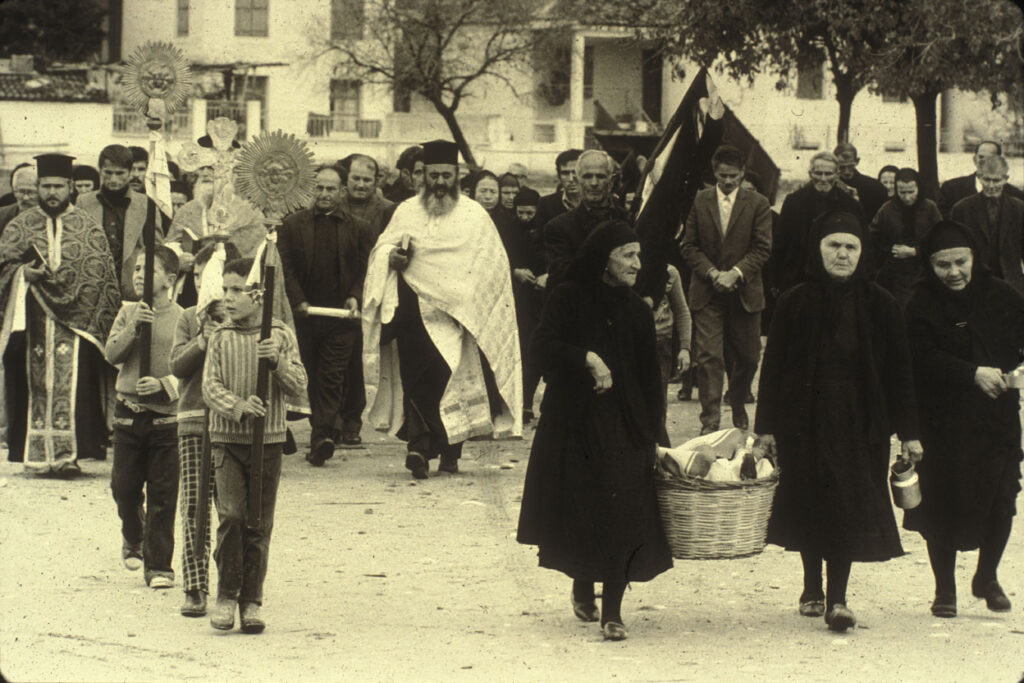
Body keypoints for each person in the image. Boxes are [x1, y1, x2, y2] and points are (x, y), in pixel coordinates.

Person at [755, 209, 923, 632]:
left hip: (860, 419)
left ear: (863, 253)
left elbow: (901, 373)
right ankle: (812, 585)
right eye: (834, 246)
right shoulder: (794, 301)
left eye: (851, 247)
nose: (842, 254)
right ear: (819, 249)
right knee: (810, 498)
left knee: (847, 505)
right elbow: (772, 368)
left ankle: (838, 598)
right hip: (803, 419)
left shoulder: (881, 303)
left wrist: (910, 433)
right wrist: (765, 429)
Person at [517, 221, 673, 642]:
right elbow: (541, 348)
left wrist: (656, 435)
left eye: (639, 255)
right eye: (629, 255)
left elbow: (648, 379)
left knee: (623, 512)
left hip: (625, 424)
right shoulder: (568, 297)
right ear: (604, 259)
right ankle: (583, 582)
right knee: (584, 509)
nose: (638, 264)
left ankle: (614, 610)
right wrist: (586, 357)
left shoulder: (638, 310)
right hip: (575, 422)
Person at [362, 139, 522, 479]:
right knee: (416, 380)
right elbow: (382, 249)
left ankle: (450, 453)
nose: (438, 182)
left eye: (445, 175)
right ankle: (418, 448)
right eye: (432, 175)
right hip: (414, 314)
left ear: (457, 175)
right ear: (423, 176)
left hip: (458, 316)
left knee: (452, 379)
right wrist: (391, 258)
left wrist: (469, 301)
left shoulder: (474, 215)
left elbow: (493, 265)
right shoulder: (406, 210)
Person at [903, 220, 1024, 618]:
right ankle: (944, 590)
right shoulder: (919, 303)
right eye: (943, 265)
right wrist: (971, 373)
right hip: (943, 423)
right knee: (941, 503)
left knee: (1002, 498)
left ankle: (986, 577)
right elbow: (916, 357)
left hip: (997, 419)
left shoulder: (1002, 295)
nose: (954, 272)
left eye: (960, 262)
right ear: (929, 265)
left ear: (975, 257)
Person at [203, 257, 308, 633]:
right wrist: (239, 406)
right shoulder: (220, 336)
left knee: (258, 522)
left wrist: (276, 362)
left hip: (269, 442)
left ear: (258, 295)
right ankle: (226, 594)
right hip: (228, 440)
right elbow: (210, 387)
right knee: (231, 515)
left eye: (237, 290)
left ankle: (251, 600)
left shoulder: (278, 335)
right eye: (226, 289)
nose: (228, 298)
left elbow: (298, 383)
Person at [0, 153, 120, 471]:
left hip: (76, 323)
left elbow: (100, 273)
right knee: (33, 385)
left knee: (75, 385)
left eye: (57, 186)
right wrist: (23, 274)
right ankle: (36, 456)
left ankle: (68, 457)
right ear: (38, 186)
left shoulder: (87, 227)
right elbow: (4, 265)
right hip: (32, 320)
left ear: (70, 187)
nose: (51, 192)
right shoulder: (19, 225)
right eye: (45, 186)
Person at [278, 165, 375, 464]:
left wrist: (354, 297)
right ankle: (322, 430)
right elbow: (287, 268)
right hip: (304, 316)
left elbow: (364, 269)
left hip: (340, 318)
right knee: (310, 376)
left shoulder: (358, 227)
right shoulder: (293, 225)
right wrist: (299, 301)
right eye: (319, 188)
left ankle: (322, 437)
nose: (324, 194)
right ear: (311, 189)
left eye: (330, 189)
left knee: (332, 376)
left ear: (341, 191)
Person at [104, 245, 183, 588]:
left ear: (169, 279)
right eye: (136, 269)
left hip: (166, 419)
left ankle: (159, 566)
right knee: (124, 488)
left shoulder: (184, 317)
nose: (138, 276)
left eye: (147, 270)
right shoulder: (127, 313)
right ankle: (132, 536)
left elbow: (190, 367)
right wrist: (135, 326)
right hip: (128, 414)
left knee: (163, 495)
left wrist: (166, 383)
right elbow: (111, 354)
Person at [680, 145, 772, 434]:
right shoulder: (698, 201)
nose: (728, 181)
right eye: (722, 176)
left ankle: (738, 401)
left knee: (748, 357)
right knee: (709, 356)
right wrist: (712, 272)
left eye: (734, 176)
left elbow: (763, 248)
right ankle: (710, 421)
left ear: (743, 173)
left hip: (745, 293)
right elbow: (688, 245)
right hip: (708, 293)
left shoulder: (758, 203)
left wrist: (735, 274)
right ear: (714, 172)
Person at [170, 245, 223, 617]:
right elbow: (176, 365)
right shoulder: (189, 318)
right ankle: (194, 584)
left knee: (232, 508)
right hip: (193, 419)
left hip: (230, 425)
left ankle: (231, 583)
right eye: (201, 276)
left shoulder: (244, 319)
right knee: (194, 505)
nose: (208, 284)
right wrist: (202, 340)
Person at [78, 144, 172, 300]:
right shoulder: (84, 202)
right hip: (94, 292)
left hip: (132, 293)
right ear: (100, 171)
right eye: (108, 173)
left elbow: (157, 251)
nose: (113, 179)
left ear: (129, 173)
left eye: (120, 173)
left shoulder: (146, 205)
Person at [775, 151, 864, 294]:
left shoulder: (850, 205)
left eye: (828, 174)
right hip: (799, 275)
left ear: (837, 174)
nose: (823, 179)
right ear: (810, 174)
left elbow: (860, 243)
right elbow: (781, 242)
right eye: (818, 173)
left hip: (837, 277)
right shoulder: (794, 201)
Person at [543, 150, 630, 290]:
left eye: (600, 176)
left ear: (611, 181)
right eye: (587, 176)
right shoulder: (558, 228)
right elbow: (562, 276)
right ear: (578, 180)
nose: (594, 183)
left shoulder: (627, 220)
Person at [950, 155, 1024, 296]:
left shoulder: (1019, 208)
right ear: (979, 177)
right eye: (987, 179)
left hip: (1011, 282)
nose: (991, 185)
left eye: (996, 180)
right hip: (975, 281)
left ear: (1005, 179)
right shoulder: (961, 209)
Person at [502, 187, 546, 423]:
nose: (525, 217)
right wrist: (515, 272)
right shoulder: (508, 230)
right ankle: (517, 403)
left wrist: (544, 276)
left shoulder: (544, 230)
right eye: (521, 212)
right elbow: (500, 260)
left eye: (530, 213)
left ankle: (527, 402)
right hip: (516, 300)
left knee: (534, 353)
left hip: (539, 299)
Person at [870, 168, 942, 308]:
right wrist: (887, 251)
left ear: (918, 189)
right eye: (902, 192)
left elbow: (940, 238)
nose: (907, 197)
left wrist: (914, 251)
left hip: (925, 270)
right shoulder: (887, 209)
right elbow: (873, 236)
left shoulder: (930, 208)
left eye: (911, 192)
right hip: (895, 274)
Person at [938, 140, 1024, 218]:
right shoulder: (950, 189)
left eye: (990, 158)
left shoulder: (1016, 196)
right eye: (981, 157)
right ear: (974, 159)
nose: (985, 162)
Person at [337, 154, 396, 236]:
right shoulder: (335, 205)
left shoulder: (389, 209)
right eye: (356, 178)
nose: (361, 185)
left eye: (367, 180)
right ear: (346, 179)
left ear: (376, 182)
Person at [834, 143, 889, 222]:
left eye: (850, 166)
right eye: (842, 167)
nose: (846, 172)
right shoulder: (829, 187)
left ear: (857, 161)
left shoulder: (876, 188)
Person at [535, 149, 582, 230]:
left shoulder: (597, 202)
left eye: (575, 172)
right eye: (565, 173)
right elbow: (539, 239)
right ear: (558, 175)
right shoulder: (545, 204)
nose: (571, 179)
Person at [0, 164, 38, 236]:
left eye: (31, 192)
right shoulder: (2, 216)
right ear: (14, 190)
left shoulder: (53, 217)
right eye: (21, 192)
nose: (25, 198)